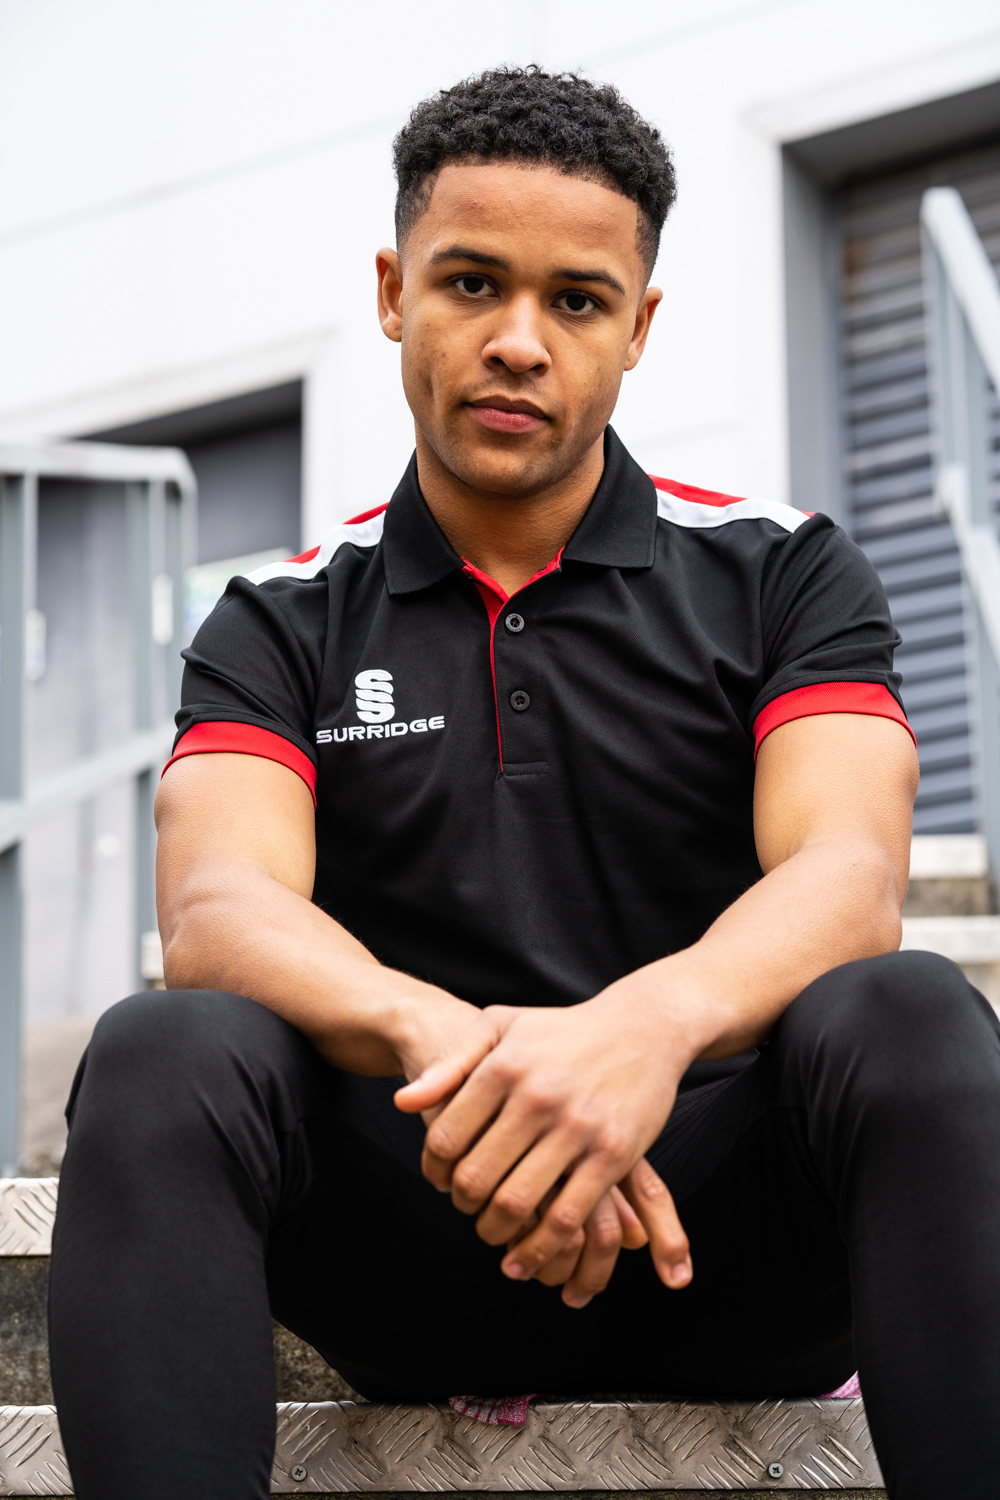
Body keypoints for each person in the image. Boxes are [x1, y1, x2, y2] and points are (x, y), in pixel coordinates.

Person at [48, 67, 1000, 1500]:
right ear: (394, 293)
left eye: (577, 300)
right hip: (418, 1240)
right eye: (472, 283)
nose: (517, 341)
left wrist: (640, 1039)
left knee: (912, 1009)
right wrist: (472, 1061)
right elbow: (217, 906)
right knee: (161, 1048)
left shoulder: (783, 569)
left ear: (639, 328)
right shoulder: (278, 618)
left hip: (725, 1240)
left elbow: (848, 877)